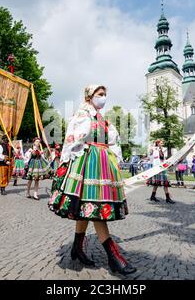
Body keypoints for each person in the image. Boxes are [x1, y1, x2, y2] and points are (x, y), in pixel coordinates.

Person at [48, 84, 136, 275]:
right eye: (100, 94)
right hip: (87, 164)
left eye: (105, 95)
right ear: (89, 96)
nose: (103, 98)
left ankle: (77, 247)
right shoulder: (82, 115)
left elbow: (113, 142)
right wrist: (66, 162)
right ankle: (113, 256)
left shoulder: (103, 120)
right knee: (95, 207)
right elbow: (72, 140)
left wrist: (114, 160)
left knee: (86, 207)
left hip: (102, 165)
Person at [146, 140, 175, 204]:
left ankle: (153, 196)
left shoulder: (160, 150)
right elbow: (154, 158)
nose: (162, 144)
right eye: (161, 143)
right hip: (158, 168)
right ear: (158, 143)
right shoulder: (155, 150)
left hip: (161, 168)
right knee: (163, 183)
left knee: (159, 183)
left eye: (162, 143)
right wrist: (153, 149)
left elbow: (162, 159)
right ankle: (167, 198)